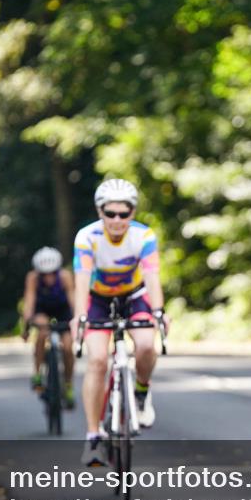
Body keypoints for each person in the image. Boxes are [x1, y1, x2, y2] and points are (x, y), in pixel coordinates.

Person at [71, 179, 168, 467]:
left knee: (147, 346)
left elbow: (152, 278)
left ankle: (141, 390)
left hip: (134, 296)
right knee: (98, 360)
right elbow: (81, 281)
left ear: (133, 213)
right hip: (97, 299)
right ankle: (92, 437)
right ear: (99, 212)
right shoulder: (86, 237)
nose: (116, 220)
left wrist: (160, 311)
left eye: (123, 214)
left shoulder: (144, 236)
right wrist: (79, 316)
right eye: (109, 213)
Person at [21, 247, 76, 409]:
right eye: (44, 274)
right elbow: (29, 303)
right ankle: (37, 374)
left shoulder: (65, 277)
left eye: (52, 273)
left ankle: (68, 384)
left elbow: (73, 301)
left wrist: (77, 323)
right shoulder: (32, 278)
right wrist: (26, 328)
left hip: (63, 310)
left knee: (67, 347)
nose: (49, 277)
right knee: (42, 332)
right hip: (42, 309)